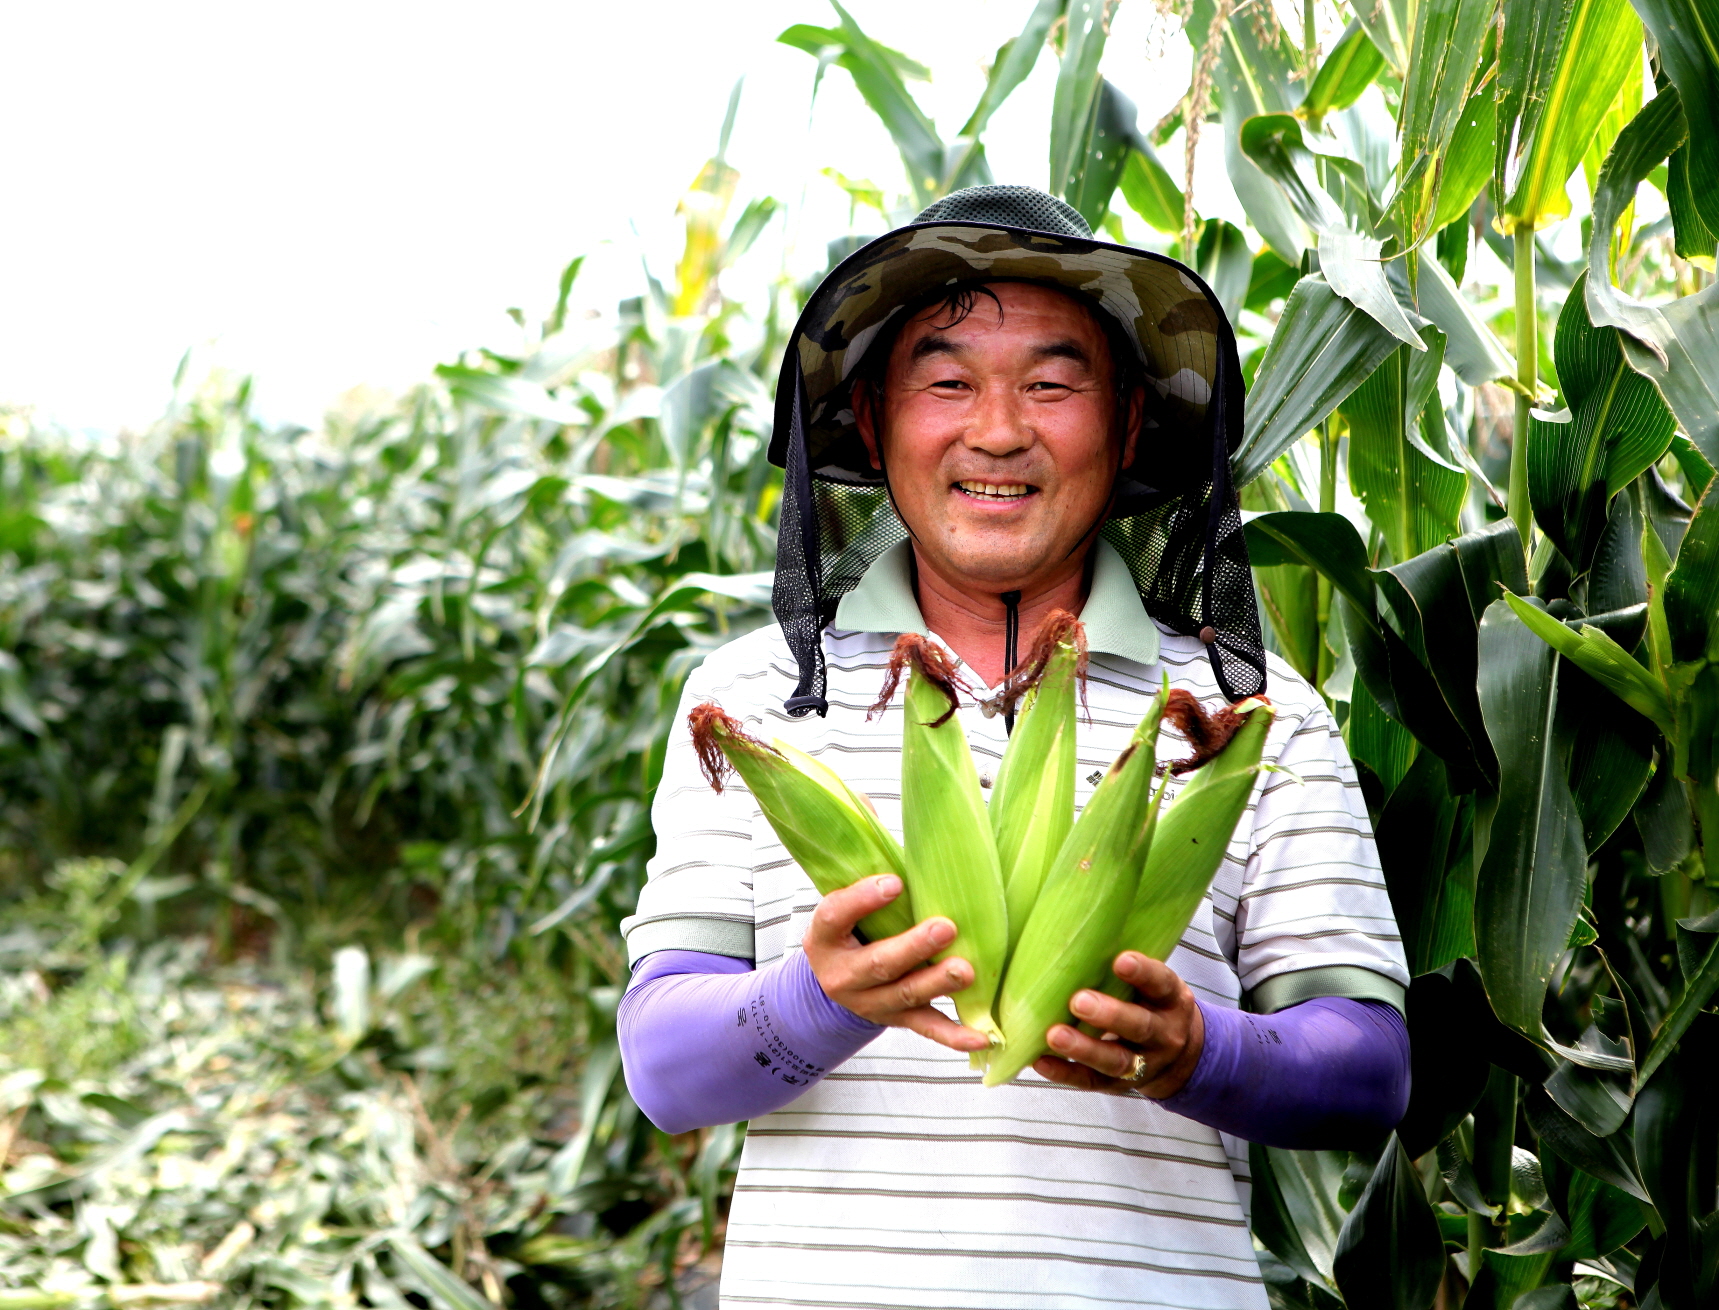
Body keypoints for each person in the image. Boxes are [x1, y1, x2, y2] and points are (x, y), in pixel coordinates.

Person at [617, 185, 1410, 1309]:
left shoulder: (1246, 716)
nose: (997, 430)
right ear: (874, 424)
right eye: (946, 382)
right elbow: (662, 1064)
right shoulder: (750, 703)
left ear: (1128, 425)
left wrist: (1199, 1054)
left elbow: (1370, 1067)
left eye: (1051, 383)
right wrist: (824, 994)